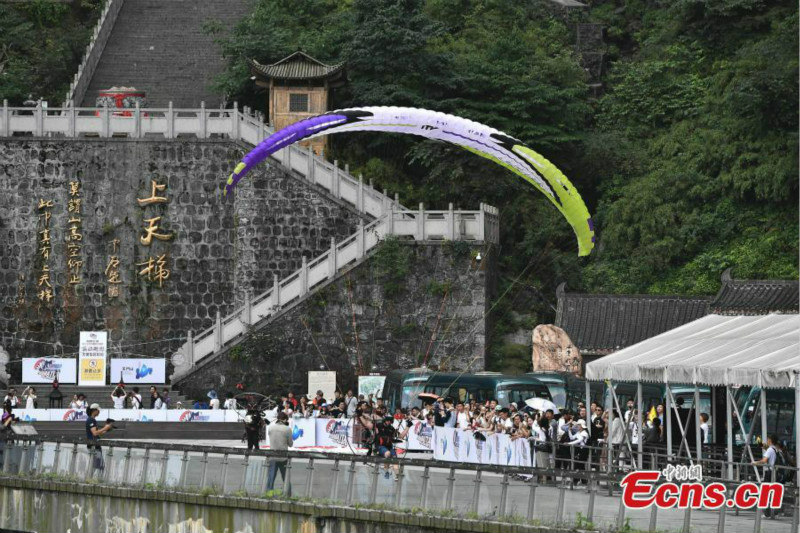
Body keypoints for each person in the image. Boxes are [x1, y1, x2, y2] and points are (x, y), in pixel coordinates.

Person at [374, 414, 410, 480]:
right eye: (387, 421)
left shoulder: (392, 429)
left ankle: (397, 475)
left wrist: (408, 426)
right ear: (384, 420)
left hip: (389, 447)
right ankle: (386, 471)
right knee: (388, 453)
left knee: (395, 461)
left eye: (390, 421)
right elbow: (370, 423)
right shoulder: (378, 426)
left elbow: (401, 436)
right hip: (380, 446)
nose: (389, 422)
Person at [266, 412, 294, 491]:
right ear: (285, 419)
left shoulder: (270, 427)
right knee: (285, 478)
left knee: (271, 478)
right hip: (283, 457)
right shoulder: (287, 429)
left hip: (272, 456)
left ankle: (269, 494)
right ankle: (288, 495)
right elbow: (290, 444)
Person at [86, 403, 113, 472]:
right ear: (94, 410)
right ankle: (94, 480)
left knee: (96, 465)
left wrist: (107, 429)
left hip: (95, 445)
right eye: (98, 410)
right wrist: (105, 428)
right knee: (99, 465)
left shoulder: (92, 420)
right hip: (93, 445)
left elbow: (98, 433)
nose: (99, 412)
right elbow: (95, 433)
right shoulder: (91, 420)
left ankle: (91, 480)